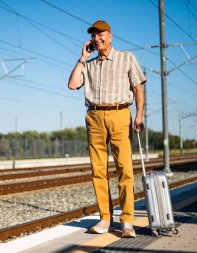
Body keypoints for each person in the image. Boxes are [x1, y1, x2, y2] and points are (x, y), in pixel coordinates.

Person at [68, 20, 146, 238]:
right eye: (93, 35)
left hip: (120, 114)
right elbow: (73, 84)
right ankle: (105, 219)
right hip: (94, 116)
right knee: (98, 170)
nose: (96, 38)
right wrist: (82, 58)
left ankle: (127, 220)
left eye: (100, 34)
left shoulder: (127, 58)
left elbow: (138, 88)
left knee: (125, 168)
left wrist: (138, 115)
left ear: (110, 36)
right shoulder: (89, 64)